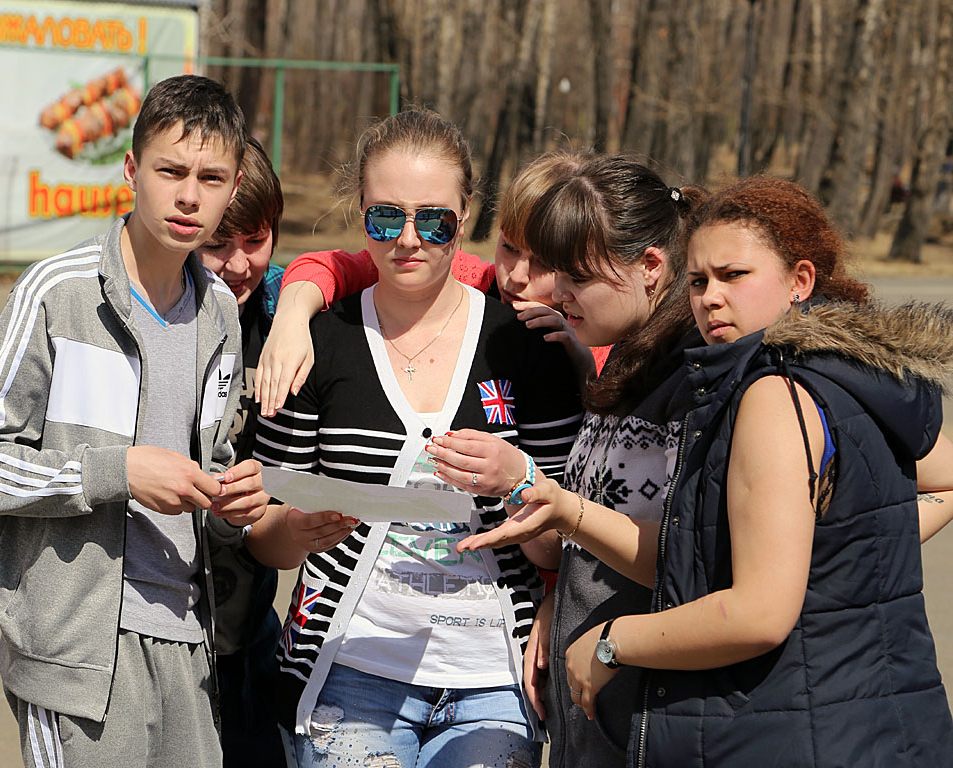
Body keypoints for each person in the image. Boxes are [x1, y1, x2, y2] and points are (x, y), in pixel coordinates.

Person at [459, 177, 953, 766]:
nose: (710, 298)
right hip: (870, 726)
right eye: (699, 281)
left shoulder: (773, 391)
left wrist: (616, 641)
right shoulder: (820, 372)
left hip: (790, 728)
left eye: (734, 276)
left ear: (800, 280)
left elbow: (761, 612)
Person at [0, 75, 269, 768]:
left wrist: (232, 506)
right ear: (130, 169)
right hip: (76, 657)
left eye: (210, 177)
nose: (188, 195)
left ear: (233, 184)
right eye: (170, 171)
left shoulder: (220, 317)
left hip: (187, 646)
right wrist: (115, 472)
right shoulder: (57, 293)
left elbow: (206, 476)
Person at [244, 109, 583, 768]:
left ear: (467, 214)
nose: (407, 240)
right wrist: (296, 528)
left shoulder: (527, 346)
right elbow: (263, 531)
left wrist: (519, 482)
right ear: (360, 212)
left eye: (434, 221)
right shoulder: (318, 339)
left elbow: (562, 543)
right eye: (383, 217)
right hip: (349, 673)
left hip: (494, 681)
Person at [426, 155, 705, 767]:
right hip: (593, 703)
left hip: (655, 708)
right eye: (511, 252)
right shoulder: (616, 361)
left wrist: (540, 492)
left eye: (568, 272)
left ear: (651, 268)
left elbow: (695, 557)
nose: (548, 288)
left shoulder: (703, 379)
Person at [254, 149, 607, 418]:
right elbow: (327, 266)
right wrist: (291, 319)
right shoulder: (457, 276)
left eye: (544, 264)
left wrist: (581, 365)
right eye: (509, 248)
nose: (516, 276)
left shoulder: (602, 334)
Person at [194, 135, 287, 768]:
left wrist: (304, 299)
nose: (237, 264)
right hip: (143, 636)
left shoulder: (285, 307)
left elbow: (363, 272)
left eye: (254, 241)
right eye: (216, 244)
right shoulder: (142, 303)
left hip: (247, 633)